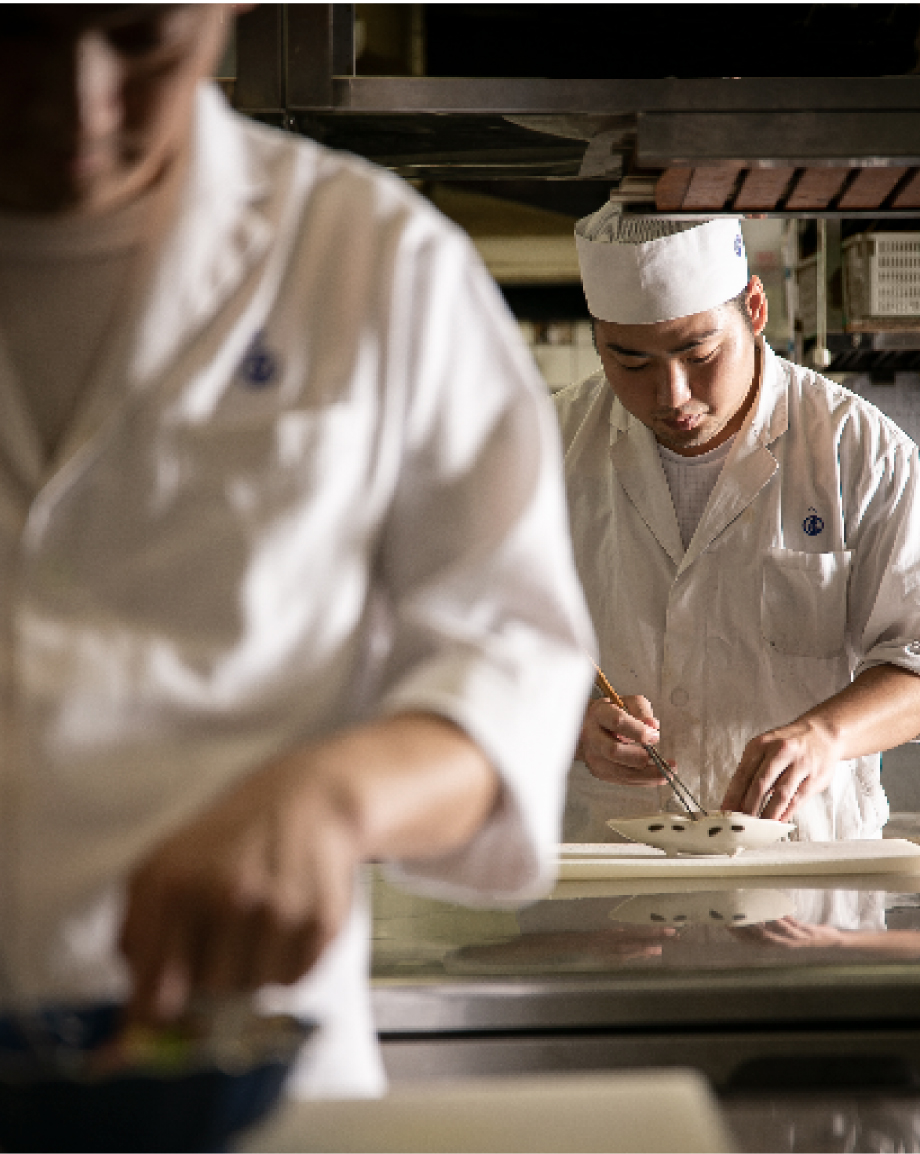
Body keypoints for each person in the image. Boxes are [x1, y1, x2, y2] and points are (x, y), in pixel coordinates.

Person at [0, 5, 595, 1099]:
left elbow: (513, 670)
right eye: (17, 32)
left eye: (139, 36)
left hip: (243, 1075)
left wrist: (333, 796)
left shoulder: (370, 259)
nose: (75, 100)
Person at [555, 206, 920, 844]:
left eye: (698, 353)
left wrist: (825, 734)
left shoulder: (859, 450)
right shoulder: (546, 447)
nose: (671, 395)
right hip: (605, 860)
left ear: (754, 310)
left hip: (804, 864)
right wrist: (566, 725)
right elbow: (468, 643)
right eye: (630, 362)